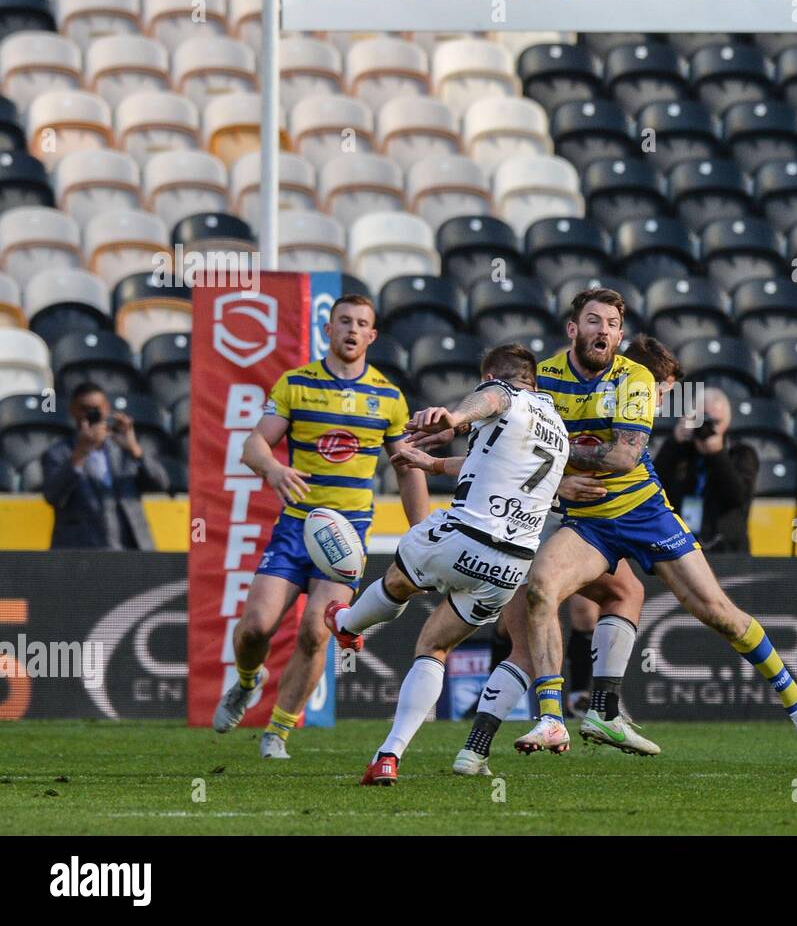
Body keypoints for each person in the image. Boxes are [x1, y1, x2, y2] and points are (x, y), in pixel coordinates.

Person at [498, 287, 797, 764]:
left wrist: (557, 458)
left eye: (613, 325)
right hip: (589, 522)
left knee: (719, 613)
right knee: (541, 589)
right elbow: (513, 443)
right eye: (594, 321)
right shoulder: (544, 378)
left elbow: (623, 456)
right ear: (573, 329)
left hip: (643, 512)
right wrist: (555, 485)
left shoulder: (634, 378)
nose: (604, 332)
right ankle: (553, 718)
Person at [315, 344, 568, 786]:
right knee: (433, 647)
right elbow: (487, 463)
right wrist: (432, 464)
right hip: (510, 566)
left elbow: (487, 400)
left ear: (492, 375)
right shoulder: (556, 428)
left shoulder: (502, 394)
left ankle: (348, 623)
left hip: (465, 533)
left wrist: (454, 417)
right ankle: (387, 756)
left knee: (397, 584)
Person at [444, 333, 682, 774]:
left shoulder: (580, 399)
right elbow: (522, 460)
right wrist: (561, 484)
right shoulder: (581, 398)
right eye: (662, 387)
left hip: (528, 529)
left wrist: (435, 458)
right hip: (539, 527)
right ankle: (575, 713)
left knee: (618, 596)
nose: (663, 396)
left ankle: (479, 747)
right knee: (527, 640)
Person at [211, 293, 429, 758]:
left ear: (372, 335)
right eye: (343, 321)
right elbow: (253, 446)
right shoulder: (295, 384)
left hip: (347, 535)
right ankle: (249, 680)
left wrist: (423, 532)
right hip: (296, 527)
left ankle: (277, 732)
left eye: (362, 324)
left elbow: (407, 469)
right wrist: (274, 470)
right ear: (327, 330)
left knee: (316, 631)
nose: (352, 329)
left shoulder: (389, 398)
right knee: (254, 628)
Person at [41, 381, 169, 549]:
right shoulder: (58, 453)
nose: (91, 414)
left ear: (107, 408)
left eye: (97, 408)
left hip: (131, 549)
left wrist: (135, 449)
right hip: (80, 554)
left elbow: (161, 484)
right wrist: (80, 452)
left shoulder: (124, 448)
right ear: (72, 410)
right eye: (84, 409)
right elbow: (53, 496)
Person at [654, 386, 758, 553]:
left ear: (728, 421)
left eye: (716, 422)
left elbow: (739, 496)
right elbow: (655, 485)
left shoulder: (741, 453)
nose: (708, 427)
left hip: (727, 549)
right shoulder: (682, 452)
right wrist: (674, 442)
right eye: (702, 420)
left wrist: (717, 454)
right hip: (682, 544)